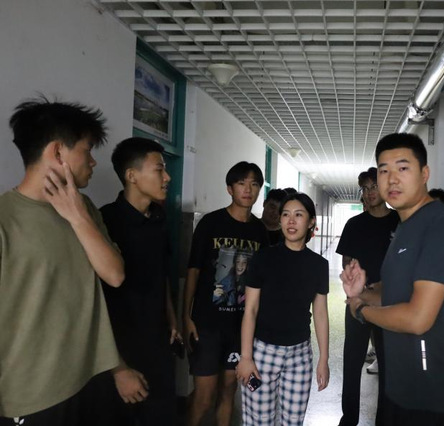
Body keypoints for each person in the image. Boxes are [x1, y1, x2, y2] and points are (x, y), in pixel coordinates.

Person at [0, 98, 147, 426]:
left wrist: (77, 216)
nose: (93, 162)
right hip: (31, 394)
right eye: (87, 150)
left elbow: (114, 275)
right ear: (57, 152)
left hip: (89, 378)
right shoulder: (5, 219)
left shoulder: (86, 208)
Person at [342, 133, 444, 426]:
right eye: (384, 170)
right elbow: (397, 291)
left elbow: (418, 318)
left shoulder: (442, 225)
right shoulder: (406, 227)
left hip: (440, 400)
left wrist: (362, 310)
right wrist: (363, 292)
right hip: (406, 390)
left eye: (403, 168)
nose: (392, 179)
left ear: (424, 174)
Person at [99, 137, 180, 426]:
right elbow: (94, 299)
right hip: (120, 349)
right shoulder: (105, 221)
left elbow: (162, 273)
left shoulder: (160, 219)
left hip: (158, 342)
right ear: (131, 176)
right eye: (159, 169)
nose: (167, 177)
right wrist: (116, 367)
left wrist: (172, 318)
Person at [183, 161, 269, 426]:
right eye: (242, 183)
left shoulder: (260, 231)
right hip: (207, 324)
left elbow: (262, 282)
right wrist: (186, 315)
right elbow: (194, 271)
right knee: (204, 396)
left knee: (229, 391)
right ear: (230, 189)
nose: (248, 189)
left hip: (239, 328)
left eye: (254, 184)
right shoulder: (210, 223)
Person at [237, 192, 330, 426]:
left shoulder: (319, 265)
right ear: (280, 220)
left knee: (293, 421)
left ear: (311, 222)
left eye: (298, 215)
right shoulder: (262, 259)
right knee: (259, 420)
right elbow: (250, 310)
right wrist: (246, 357)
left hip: (300, 356)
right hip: (262, 354)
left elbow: (320, 314)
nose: (291, 221)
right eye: (286, 214)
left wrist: (324, 358)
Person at [337, 167, 400, 426]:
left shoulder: (399, 221)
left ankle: (384, 420)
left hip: (389, 303)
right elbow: (346, 261)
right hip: (359, 301)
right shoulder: (354, 224)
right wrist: (356, 286)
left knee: (389, 365)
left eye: (374, 186)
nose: (370, 192)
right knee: (352, 361)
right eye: (365, 188)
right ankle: (349, 418)